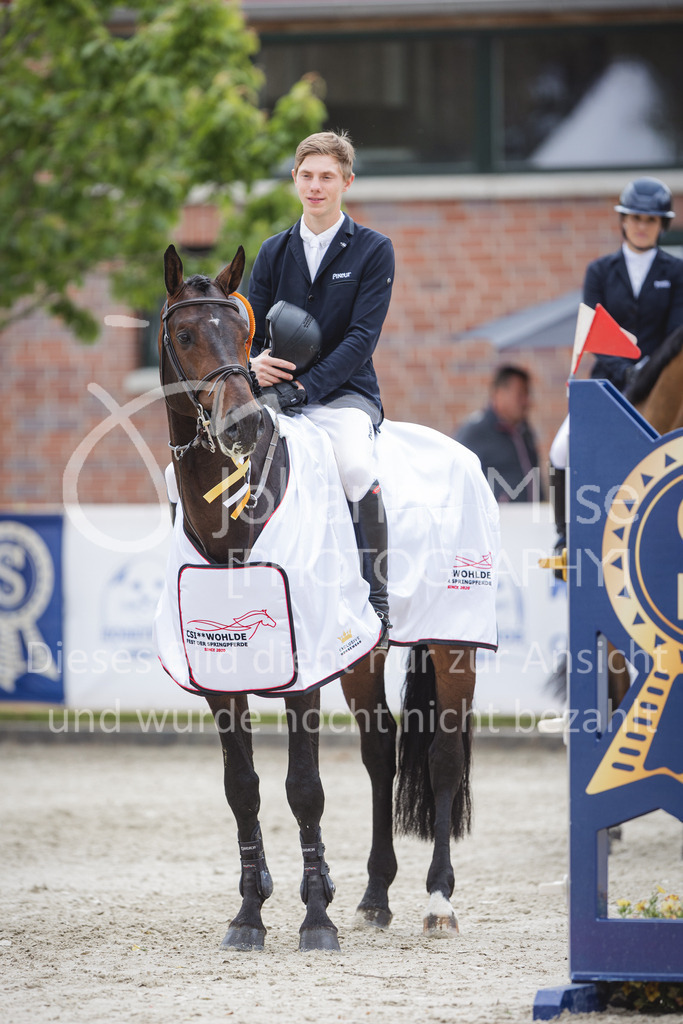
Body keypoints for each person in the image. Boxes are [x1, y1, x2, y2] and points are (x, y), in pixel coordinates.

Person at [247, 130, 395, 646]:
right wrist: (254, 365)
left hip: (346, 393)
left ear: (346, 182)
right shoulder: (271, 252)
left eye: (327, 177)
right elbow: (250, 334)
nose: (316, 186)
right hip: (275, 395)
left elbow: (362, 338)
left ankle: (377, 596)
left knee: (355, 466)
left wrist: (306, 388)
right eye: (307, 176)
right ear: (294, 180)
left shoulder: (375, 251)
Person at [550, 176, 683, 550]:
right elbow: (593, 330)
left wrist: (649, 370)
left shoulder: (675, 273)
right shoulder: (600, 271)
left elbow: (676, 335)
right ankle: (565, 536)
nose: (642, 226)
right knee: (560, 450)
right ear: (623, 220)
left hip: (659, 384)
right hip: (607, 383)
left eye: (651, 220)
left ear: (661, 225)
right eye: (636, 218)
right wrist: (625, 369)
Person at [455, 365, 544, 503]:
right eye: (520, 394)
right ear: (499, 393)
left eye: (527, 395)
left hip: (531, 519)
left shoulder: (524, 430)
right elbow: (457, 479)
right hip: (500, 521)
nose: (527, 402)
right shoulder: (475, 432)